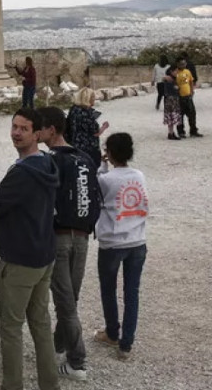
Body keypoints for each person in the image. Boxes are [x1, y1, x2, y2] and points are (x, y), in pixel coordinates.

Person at [0, 108, 61, 390]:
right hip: (44, 255)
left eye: (23, 129)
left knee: (11, 328)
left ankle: (12, 385)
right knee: (40, 324)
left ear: (37, 134)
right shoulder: (48, 165)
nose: (16, 132)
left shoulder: (22, 173)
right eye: (14, 126)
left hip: (20, 260)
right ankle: (49, 384)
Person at [38, 107, 99, 380]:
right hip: (83, 237)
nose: (37, 132)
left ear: (52, 130)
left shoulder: (49, 160)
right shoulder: (85, 158)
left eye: (40, 127)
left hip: (60, 237)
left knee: (65, 303)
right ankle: (58, 345)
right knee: (69, 298)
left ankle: (77, 362)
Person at [93, 133, 148, 360]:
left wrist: (101, 164)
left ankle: (112, 332)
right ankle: (126, 344)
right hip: (137, 239)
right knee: (131, 292)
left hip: (113, 241)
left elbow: (100, 190)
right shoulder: (139, 175)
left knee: (109, 289)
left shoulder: (105, 178)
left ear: (110, 152)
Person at [66, 89, 109, 166]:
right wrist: (104, 127)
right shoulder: (87, 113)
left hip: (75, 145)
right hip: (89, 148)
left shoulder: (73, 109)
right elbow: (95, 133)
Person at [174, 58, 201, 138]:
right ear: (177, 64)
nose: (183, 65)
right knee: (180, 115)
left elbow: (191, 82)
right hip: (179, 97)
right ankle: (181, 132)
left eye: (184, 63)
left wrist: (192, 91)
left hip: (188, 96)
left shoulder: (187, 72)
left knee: (192, 114)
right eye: (181, 64)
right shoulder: (175, 73)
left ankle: (193, 130)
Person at [162, 66, 182, 140]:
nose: (177, 73)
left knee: (171, 117)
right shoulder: (169, 79)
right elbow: (175, 88)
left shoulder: (172, 79)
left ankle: (171, 132)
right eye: (175, 71)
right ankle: (171, 133)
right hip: (171, 100)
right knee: (172, 116)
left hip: (171, 99)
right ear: (171, 71)